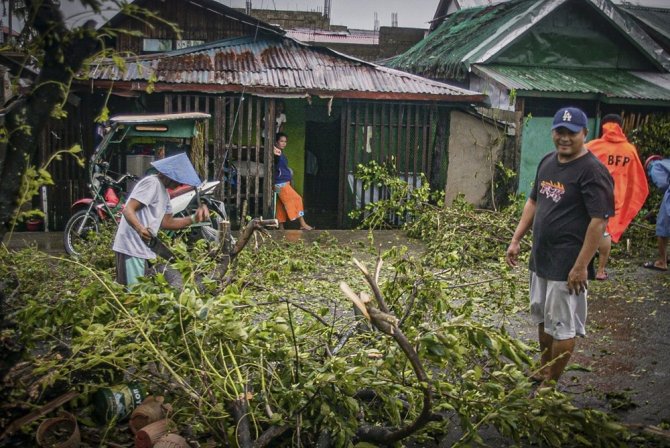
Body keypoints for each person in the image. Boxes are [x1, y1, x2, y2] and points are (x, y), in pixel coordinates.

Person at [506, 107, 614, 387]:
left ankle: (551, 383)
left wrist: (581, 267)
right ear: (553, 132)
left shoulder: (593, 171)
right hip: (541, 258)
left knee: (563, 326)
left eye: (571, 133)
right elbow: (533, 202)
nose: (564, 138)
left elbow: (598, 222)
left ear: (584, 133)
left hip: (567, 265)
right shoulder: (547, 161)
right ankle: (544, 368)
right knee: (542, 318)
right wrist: (517, 239)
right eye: (560, 132)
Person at [113, 153, 209, 286]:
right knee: (133, 295)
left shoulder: (164, 194)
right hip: (131, 247)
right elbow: (128, 210)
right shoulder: (152, 183)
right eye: (178, 180)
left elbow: (167, 222)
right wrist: (140, 229)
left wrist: (193, 219)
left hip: (143, 249)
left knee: (141, 293)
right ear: (169, 175)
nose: (179, 184)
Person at [586, 114, 648, 280]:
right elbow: (637, 180)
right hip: (614, 199)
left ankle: (584, 265)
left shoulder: (593, 146)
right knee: (606, 232)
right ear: (621, 127)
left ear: (603, 126)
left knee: (587, 229)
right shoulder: (629, 150)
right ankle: (600, 271)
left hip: (592, 195)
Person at [273, 132, 312, 230]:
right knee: (297, 199)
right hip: (280, 183)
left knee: (280, 204)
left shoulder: (281, 153)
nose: (284, 143)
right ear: (276, 142)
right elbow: (276, 159)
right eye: (281, 141)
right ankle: (302, 224)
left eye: (285, 141)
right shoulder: (276, 153)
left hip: (280, 183)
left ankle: (281, 227)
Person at [643, 155, 670, 272]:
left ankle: (662, 262)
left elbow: (663, 184)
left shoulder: (654, 167)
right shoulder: (666, 162)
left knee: (662, 227)